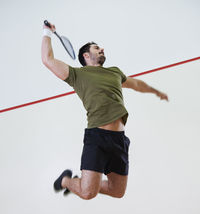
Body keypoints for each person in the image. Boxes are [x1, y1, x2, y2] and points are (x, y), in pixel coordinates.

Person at [41, 22, 168, 200]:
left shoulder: (114, 72)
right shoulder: (77, 75)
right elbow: (48, 60)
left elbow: (136, 84)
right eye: (96, 47)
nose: (101, 49)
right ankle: (66, 181)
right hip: (97, 137)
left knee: (117, 191)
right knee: (87, 193)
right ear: (86, 55)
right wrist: (47, 32)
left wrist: (156, 91)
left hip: (119, 140)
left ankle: (85, 181)